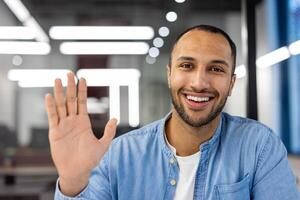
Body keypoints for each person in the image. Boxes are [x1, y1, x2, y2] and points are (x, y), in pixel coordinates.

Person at [45, 25, 300, 200]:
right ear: (169, 75)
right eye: (187, 65)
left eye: (216, 69)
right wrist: (73, 183)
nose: (199, 82)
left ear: (232, 83)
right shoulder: (119, 155)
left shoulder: (259, 147)